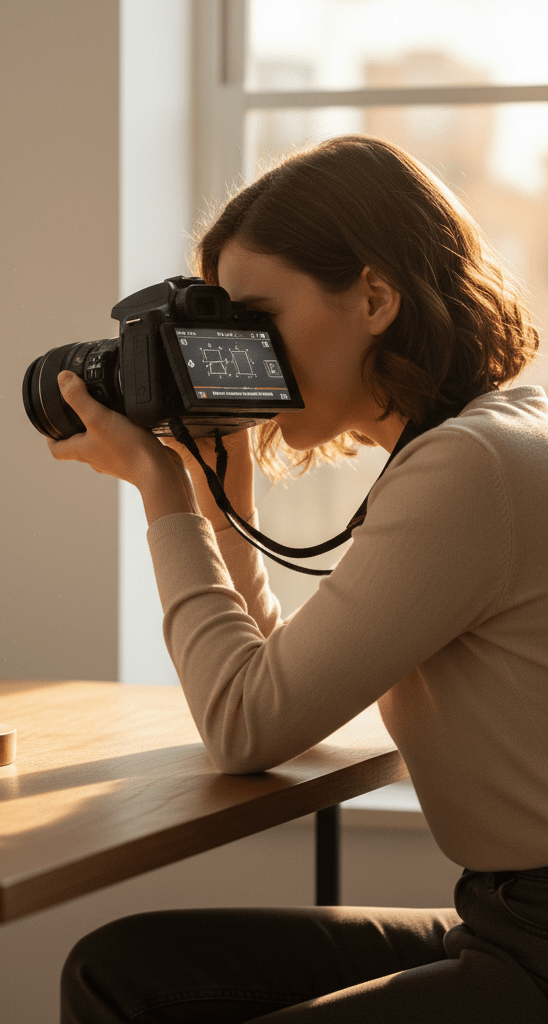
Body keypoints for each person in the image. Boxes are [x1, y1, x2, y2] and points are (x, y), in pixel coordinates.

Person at [48, 135, 548, 1022]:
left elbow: (246, 725)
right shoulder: (498, 431)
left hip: (535, 943)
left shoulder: (470, 467)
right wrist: (219, 506)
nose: (243, 355)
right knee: (123, 970)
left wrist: (165, 494)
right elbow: (288, 686)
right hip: (504, 921)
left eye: (259, 317)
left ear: (375, 297)